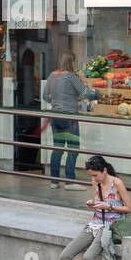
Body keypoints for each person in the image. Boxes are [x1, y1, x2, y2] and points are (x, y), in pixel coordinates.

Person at [58, 155, 131, 260]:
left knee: (88, 257)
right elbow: (97, 202)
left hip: (109, 227)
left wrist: (109, 206)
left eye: (95, 175)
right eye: (91, 175)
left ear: (104, 171)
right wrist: (92, 204)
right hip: (93, 224)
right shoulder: (95, 182)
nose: (93, 178)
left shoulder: (117, 183)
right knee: (65, 256)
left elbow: (130, 209)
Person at [45, 51, 89, 189]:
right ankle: (70, 181)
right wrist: (84, 80)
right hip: (69, 116)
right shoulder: (72, 77)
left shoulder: (52, 76)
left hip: (55, 116)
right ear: (72, 62)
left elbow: (45, 96)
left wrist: (57, 103)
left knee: (57, 148)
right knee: (73, 149)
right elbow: (85, 93)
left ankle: (54, 181)